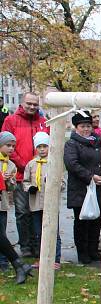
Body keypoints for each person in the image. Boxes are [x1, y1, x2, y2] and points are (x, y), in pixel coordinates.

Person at [1, 92, 49, 257]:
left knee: (38, 211)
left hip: (40, 175)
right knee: (22, 212)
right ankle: (25, 246)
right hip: (21, 174)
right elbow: (8, 147)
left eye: (35, 104)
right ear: (22, 103)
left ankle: (38, 245)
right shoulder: (11, 121)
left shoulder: (43, 122)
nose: (32, 107)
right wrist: (24, 166)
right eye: (29, 103)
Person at [64, 112, 101, 265]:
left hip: (97, 187)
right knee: (82, 222)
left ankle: (93, 250)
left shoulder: (97, 142)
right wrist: (90, 176)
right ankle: (83, 252)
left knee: (96, 220)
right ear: (76, 127)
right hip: (81, 188)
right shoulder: (72, 144)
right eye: (83, 126)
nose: (86, 129)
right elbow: (72, 164)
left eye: (88, 126)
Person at [22, 132, 62, 269]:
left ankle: (56, 259)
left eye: (45, 146)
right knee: (39, 233)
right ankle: (42, 258)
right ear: (36, 148)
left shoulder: (54, 163)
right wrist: (29, 188)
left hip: (50, 204)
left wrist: (53, 182)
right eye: (39, 147)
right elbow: (25, 181)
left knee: (53, 232)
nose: (42, 149)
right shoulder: (31, 164)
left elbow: (62, 184)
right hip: (35, 204)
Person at [0, 131, 19, 270]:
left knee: (2, 233)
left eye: (13, 146)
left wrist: (10, 181)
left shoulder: (11, 165)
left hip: (3, 203)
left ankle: (3, 261)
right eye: (8, 145)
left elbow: (12, 188)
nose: (11, 148)